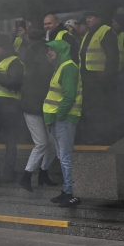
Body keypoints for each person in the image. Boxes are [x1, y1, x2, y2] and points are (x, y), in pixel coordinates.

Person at [18, 30, 58, 191]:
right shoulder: (43, 72)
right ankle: (27, 176)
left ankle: (43, 173)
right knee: (42, 143)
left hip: (38, 109)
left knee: (52, 144)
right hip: (35, 109)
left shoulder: (33, 66)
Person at [45, 39, 82, 207]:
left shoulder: (68, 67)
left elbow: (69, 96)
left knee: (65, 157)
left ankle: (72, 193)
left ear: (61, 50)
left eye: (52, 50)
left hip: (64, 119)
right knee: (62, 156)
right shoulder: (60, 67)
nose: (49, 53)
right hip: (59, 119)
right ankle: (66, 190)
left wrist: (59, 116)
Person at [76, 11, 119, 144]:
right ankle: (91, 136)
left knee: (100, 110)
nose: (88, 20)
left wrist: (106, 75)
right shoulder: (89, 33)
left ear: (99, 18)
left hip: (99, 80)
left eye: (91, 17)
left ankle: (102, 138)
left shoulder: (106, 31)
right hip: (87, 79)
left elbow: (113, 57)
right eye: (87, 18)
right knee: (90, 109)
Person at [0, 36, 24, 183]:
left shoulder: (15, 62)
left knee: (10, 140)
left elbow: (13, 83)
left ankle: (8, 172)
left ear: (5, 47)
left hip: (10, 106)